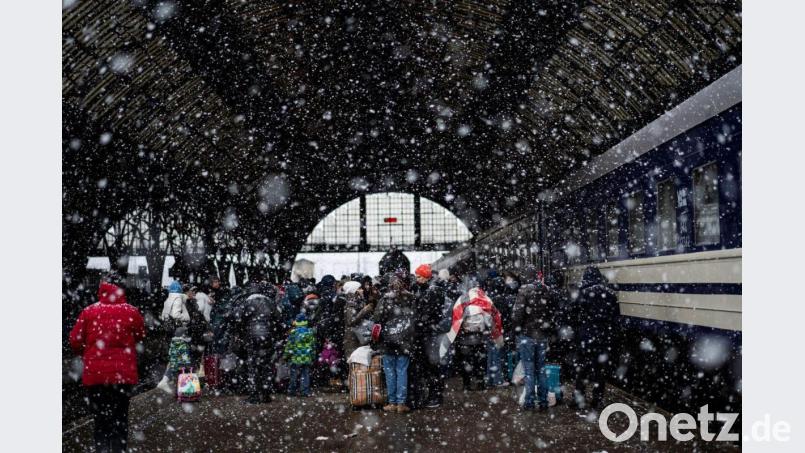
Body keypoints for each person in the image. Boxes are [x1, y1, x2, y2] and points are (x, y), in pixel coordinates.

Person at [69, 275, 145, 453]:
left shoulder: (89, 311)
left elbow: (74, 340)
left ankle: (102, 449)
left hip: (96, 376)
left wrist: (88, 353)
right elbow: (140, 335)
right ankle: (119, 449)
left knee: (101, 420)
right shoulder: (131, 311)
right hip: (122, 375)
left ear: (102, 291)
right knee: (120, 418)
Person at [571, 266, 620, 411]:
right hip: (604, 337)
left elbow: (573, 314)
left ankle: (579, 400)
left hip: (586, 337)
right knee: (599, 370)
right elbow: (616, 317)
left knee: (582, 370)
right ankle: (597, 400)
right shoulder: (610, 294)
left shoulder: (583, 293)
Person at [512, 266, 558, 411]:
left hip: (528, 335)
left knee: (529, 370)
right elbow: (552, 312)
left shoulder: (524, 290)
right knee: (541, 369)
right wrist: (548, 329)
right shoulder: (547, 289)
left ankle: (529, 402)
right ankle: (544, 402)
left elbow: (517, 313)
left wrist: (516, 328)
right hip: (542, 336)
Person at [372, 273, 417, 413]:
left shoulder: (385, 299)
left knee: (389, 371)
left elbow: (377, 318)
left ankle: (392, 403)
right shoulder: (411, 298)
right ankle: (401, 403)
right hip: (405, 340)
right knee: (402, 371)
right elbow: (415, 318)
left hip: (388, 340)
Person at [232, 283, 284, 403]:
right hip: (268, 339)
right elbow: (279, 319)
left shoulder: (247, 302)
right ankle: (265, 395)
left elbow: (237, 318)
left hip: (252, 338)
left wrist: (241, 332)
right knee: (266, 366)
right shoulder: (270, 302)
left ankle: (254, 396)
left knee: (253, 367)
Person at [410, 264, 451, 409]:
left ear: (426, 277)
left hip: (430, 334)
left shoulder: (433, 292)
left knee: (432, 365)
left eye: (419, 276)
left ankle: (436, 396)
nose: (417, 279)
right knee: (429, 366)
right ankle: (433, 395)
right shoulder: (425, 289)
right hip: (426, 333)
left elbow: (427, 313)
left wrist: (420, 322)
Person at [450, 285, 504, 392]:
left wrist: (456, 334)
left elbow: (456, 317)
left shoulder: (462, 300)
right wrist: (494, 334)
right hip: (480, 337)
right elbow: (493, 318)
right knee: (480, 362)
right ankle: (480, 384)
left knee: (466, 362)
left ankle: (467, 385)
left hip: (465, 338)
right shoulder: (485, 300)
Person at [157, 280, 190, 392]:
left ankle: (170, 381)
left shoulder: (168, 299)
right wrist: (185, 318)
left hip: (170, 331)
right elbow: (176, 315)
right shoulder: (178, 298)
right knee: (181, 357)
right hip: (179, 331)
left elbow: (163, 316)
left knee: (175, 357)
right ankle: (178, 384)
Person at [284, 313, 316, 397]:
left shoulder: (294, 332)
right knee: (305, 374)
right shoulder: (310, 332)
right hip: (306, 358)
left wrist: (286, 355)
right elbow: (313, 346)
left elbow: (289, 345)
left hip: (296, 358)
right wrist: (312, 356)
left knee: (293, 375)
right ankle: (305, 391)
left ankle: (292, 390)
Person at [343, 280, 373, 359]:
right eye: (359, 289)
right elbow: (351, 321)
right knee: (354, 362)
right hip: (353, 337)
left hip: (360, 335)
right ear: (354, 291)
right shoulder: (350, 304)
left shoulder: (359, 301)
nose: (362, 290)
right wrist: (365, 310)